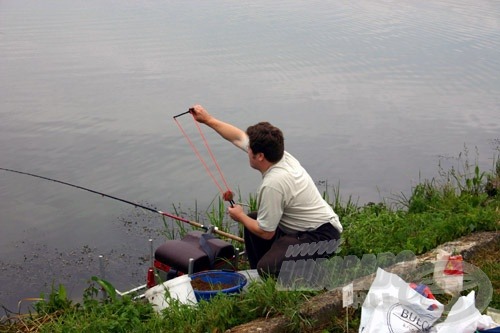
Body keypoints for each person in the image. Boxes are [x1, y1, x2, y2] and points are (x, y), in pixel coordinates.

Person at [189, 104, 343, 277]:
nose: (246, 150)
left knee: (268, 267)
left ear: (260, 156)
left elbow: (266, 233)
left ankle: (307, 272)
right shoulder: (280, 155)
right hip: (306, 230)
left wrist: (239, 216)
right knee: (254, 219)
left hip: (320, 237)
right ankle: (260, 272)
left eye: (249, 150)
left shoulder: (273, 183)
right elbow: (238, 137)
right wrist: (207, 119)